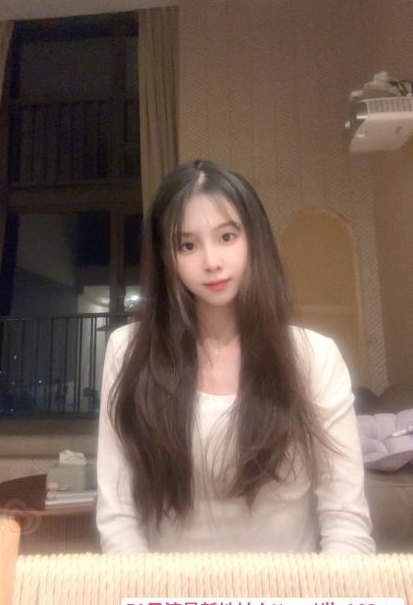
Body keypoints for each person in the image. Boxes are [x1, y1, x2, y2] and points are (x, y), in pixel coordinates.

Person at [96, 160, 375, 554]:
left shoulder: (315, 356)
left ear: (254, 239)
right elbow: (118, 515)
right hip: (167, 586)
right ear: (165, 257)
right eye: (187, 245)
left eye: (227, 237)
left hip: (289, 587)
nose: (211, 261)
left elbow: (346, 521)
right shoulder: (128, 351)